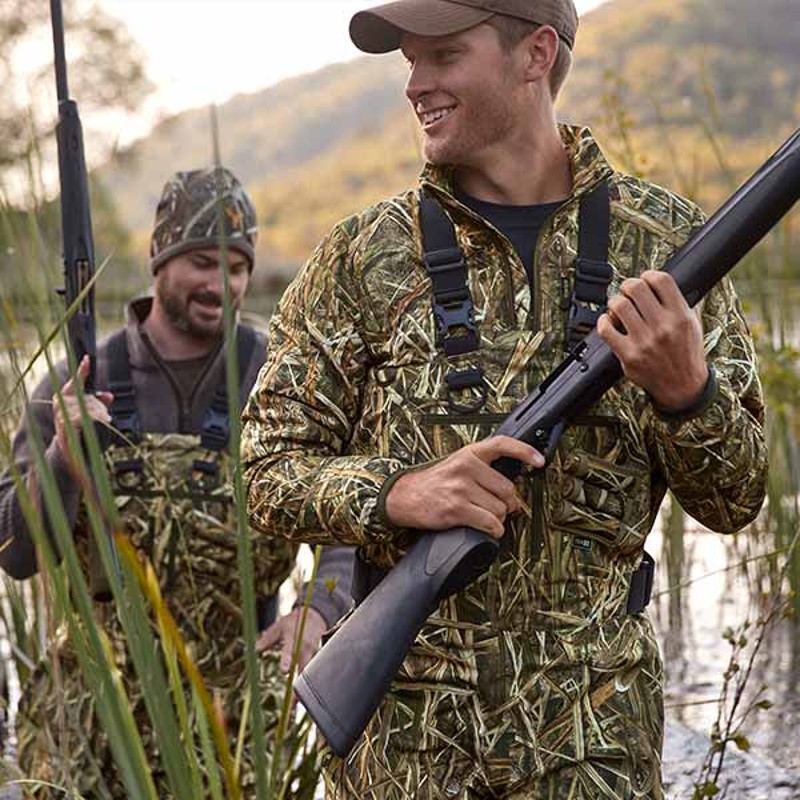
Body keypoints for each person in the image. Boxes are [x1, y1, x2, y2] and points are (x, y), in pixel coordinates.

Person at [241, 1, 768, 798]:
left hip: (594, 752)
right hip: (407, 758)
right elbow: (264, 472)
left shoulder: (667, 245)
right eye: (409, 62)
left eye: (443, 56)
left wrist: (685, 392)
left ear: (536, 53)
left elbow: (739, 499)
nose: (416, 84)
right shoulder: (359, 258)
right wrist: (400, 492)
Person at [0, 167, 353, 797]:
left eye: (238, 266)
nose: (223, 284)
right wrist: (61, 458)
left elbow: (346, 519)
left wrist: (319, 607)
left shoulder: (280, 378)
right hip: (90, 719)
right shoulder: (73, 379)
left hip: (235, 722)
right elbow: (17, 553)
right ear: (158, 259)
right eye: (200, 261)